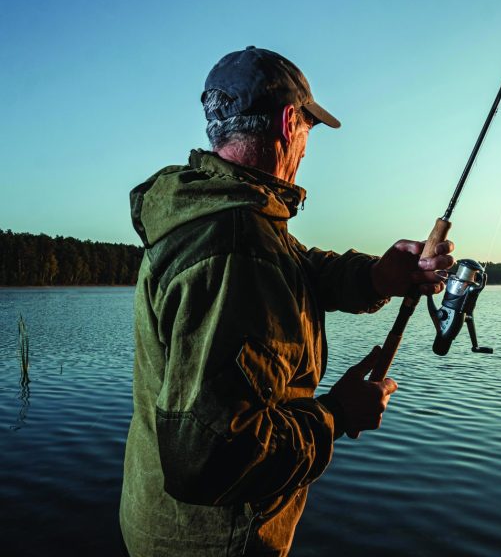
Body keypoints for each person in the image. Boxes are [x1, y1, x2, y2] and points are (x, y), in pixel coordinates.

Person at [119, 46, 454, 556]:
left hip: (161, 527)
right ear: (286, 121)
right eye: (308, 131)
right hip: (215, 543)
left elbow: (298, 267)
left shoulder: (223, 212)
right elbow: (208, 459)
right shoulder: (233, 243)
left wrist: (377, 276)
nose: (306, 148)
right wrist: (337, 415)